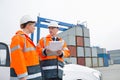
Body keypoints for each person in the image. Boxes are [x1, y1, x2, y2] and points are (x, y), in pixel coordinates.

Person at [10, 15, 42, 80]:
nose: (34, 28)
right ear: (28, 25)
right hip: (25, 78)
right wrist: (22, 76)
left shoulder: (26, 39)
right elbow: (17, 58)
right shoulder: (18, 38)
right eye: (33, 25)